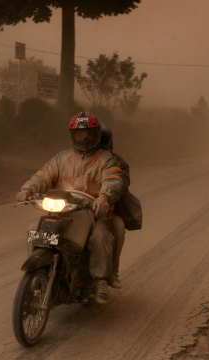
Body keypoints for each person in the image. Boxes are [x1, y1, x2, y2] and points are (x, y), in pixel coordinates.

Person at [16, 111, 125, 304]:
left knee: (100, 235)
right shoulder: (61, 158)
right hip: (62, 208)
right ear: (72, 135)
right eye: (79, 134)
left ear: (97, 135)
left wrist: (104, 197)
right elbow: (42, 176)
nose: (84, 138)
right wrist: (27, 189)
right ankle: (38, 272)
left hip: (92, 210)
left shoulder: (107, 159)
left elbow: (114, 180)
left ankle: (100, 280)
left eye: (89, 134)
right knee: (33, 228)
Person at [98, 123, 130, 290]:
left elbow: (120, 185)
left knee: (118, 226)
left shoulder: (118, 163)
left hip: (104, 211)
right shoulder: (77, 159)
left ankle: (112, 272)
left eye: (102, 140)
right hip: (76, 209)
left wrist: (106, 194)